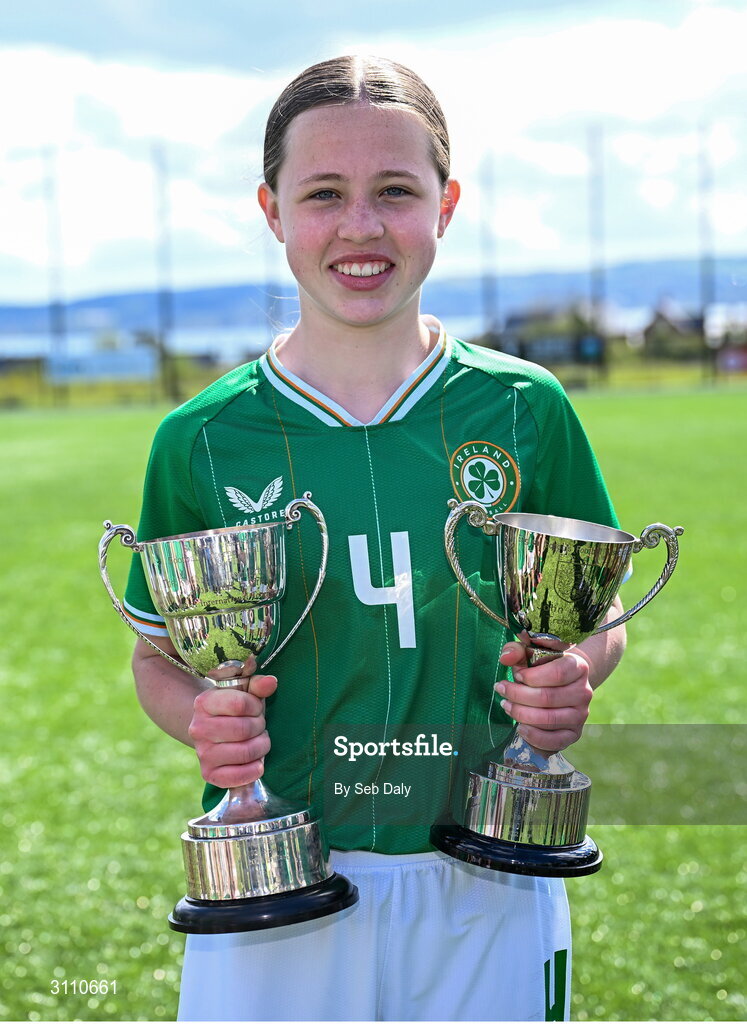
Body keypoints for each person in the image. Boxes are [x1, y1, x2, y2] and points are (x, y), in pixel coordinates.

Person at [124, 55, 627, 1022]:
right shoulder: (198, 439)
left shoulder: (527, 409)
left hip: (490, 872)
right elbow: (157, 659)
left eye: (395, 190)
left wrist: (577, 675)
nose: (360, 226)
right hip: (280, 881)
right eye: (324, 194)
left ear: (445, 204)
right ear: (272, 210)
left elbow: (593, 614)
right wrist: (198, 716)